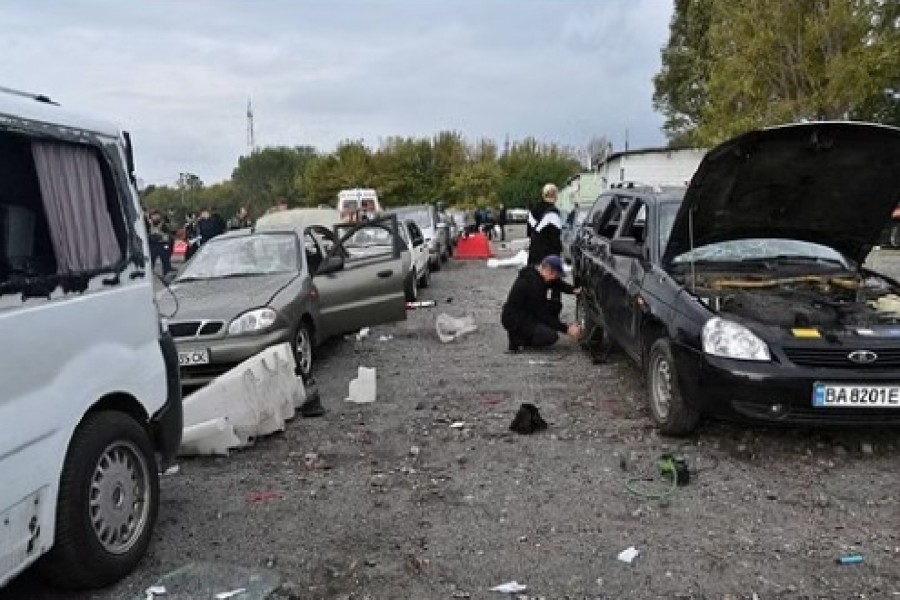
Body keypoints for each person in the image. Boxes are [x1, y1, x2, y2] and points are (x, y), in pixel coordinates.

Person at [501, 255, 582, 353]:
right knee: (551, 336)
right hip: (516, 320)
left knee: (555, 306)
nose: (555, 278)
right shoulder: (533, 284)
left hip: (526, 311)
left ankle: (532, 331)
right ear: (548, 270)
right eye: (555, 275)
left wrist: (573, 290)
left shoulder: (537, 273)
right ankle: (520, 339)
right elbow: (542, 313)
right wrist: (567, 329)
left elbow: (556, 283)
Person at [527, 183, 563, 265]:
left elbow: (529, 233)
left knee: (535, 276)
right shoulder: (553, 213)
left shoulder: (533, 210)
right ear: (555, 195)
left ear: (543, 195)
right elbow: (555, 237)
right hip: (549, 255)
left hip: (534, 253)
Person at [147, 210, 174, 276]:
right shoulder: (148, 225)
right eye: (154, 215)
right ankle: (149, 275)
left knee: (166, 261)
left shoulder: (164, 225)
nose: (156, 217)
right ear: (151, 217)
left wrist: (164, 238)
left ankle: (167, 273)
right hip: (153, 246)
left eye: (157, 215)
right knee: (150, 262)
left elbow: (170, 236)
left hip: (163, 245)